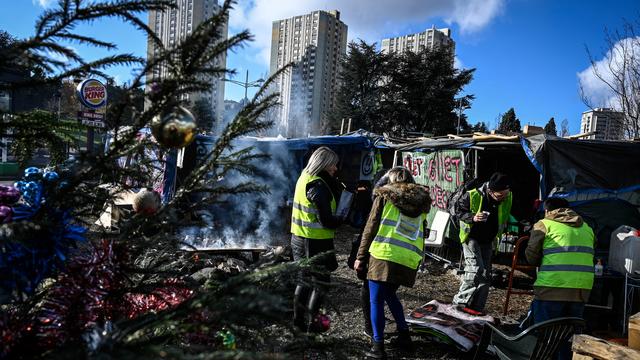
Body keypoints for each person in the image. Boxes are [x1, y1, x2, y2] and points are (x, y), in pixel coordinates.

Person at [354, 167, 430, 359]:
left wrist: (360, 257)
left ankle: (378, 347)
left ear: (391, 180)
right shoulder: (422, 204)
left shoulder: (384, 197)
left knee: (376, 300)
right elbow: (424, 232)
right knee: (390, 294)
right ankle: (404, 336)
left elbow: (370, 229)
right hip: (408, 258)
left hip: (384, 254)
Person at [525, 197, 594, 360]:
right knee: (570, 338)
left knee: (545, 338)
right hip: (581, 291)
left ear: (548, 211)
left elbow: (531, 256)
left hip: (552, 288)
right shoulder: (587, 228)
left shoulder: (545, 224)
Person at [290, 146, 343, 332]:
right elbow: (327, 221)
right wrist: (342, 219)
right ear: (324, 164)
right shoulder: (317, 186)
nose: (335, 169)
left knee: (303, 282)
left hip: (299, 238)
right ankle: (313, 326)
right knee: (320, 284)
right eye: (333, 165)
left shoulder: (304, 177)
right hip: (314, 242)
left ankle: (297, 323)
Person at [452, 172, 513, 314]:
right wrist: (473, 217)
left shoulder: (508, 196)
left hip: (489, 239)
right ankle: (459, 303)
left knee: (486, 275)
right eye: (500, 195)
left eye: (506, 193)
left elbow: (505, 214)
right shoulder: (472, 195)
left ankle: (477, 308)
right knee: (475, 270)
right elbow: (458, 211)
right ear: (490, 191)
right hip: (471, 236)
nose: (503, 198)